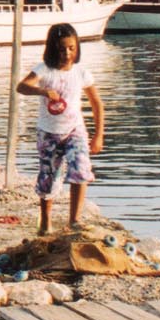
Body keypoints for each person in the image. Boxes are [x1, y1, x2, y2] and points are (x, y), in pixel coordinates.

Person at [16, 23, 105, 235]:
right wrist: (43, 91)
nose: (67, 53)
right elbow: (21, 86)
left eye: (71, 48)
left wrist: (98, 135)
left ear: (77, 48)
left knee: (81, 169)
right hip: (49, 131)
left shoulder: (81, 73)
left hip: (75, 130)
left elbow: (96, 103)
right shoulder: (44, 70)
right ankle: (45, 221)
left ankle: (74, 220)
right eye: (62, 48)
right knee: (49, 177)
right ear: (53, 48)